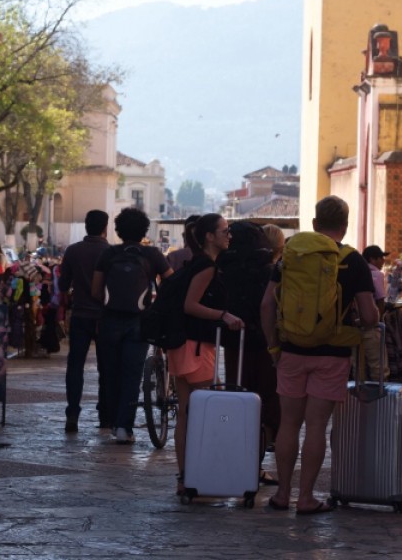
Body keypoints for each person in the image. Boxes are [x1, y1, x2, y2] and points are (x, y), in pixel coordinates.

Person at [260, 195, 377, 514]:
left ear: (314, 224)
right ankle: (306, 498)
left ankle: (283, 494)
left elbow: (267, 305)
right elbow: (369, 316)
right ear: (345, 225)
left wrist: (274, 346)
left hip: (292, 350)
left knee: (288, 425)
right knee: (315, 428)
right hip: (333, 353)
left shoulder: (291, 257)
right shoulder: (353, 260)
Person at [170, 213, 244, 493]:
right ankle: (204, 474)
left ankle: (185, 477)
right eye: (224, 231)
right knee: (210, 411)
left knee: (186, 414)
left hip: (182, 344)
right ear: (209, 237)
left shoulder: (195, 263)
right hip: (198, 347)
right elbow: (191, 304)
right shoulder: (207, 268)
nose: (229, 235)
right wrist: (224, 315)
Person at [92, 207, 172, 444]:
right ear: (144, 231)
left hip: (109, 320)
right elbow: (171, 281)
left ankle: (113, 420)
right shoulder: (153, 254)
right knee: (132, 374)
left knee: (110, 373)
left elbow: (96, 290)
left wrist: (110, 303)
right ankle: (124, 428)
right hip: (139, 321)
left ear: (117, 230)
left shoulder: (108, 254)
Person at [218, 220, 278, 486]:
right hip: (265, 343)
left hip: (234, 340)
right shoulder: (269, 269)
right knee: (265, 401)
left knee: (237, 396)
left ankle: (238, 460)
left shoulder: (222, 267)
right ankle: (255, 462)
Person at [58, 210, 110, 433]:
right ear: (105, 227)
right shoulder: (110, 251)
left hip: (80, 315)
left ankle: (72, 413)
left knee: (75, 365)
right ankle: (105, 414)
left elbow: (62, 285)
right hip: (104, 317)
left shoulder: (73, 251)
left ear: (85, 226)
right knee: (106, 367)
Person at [360, 244, 390, 380]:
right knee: (378, 367)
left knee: (358, 368)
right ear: (372, 259)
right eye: (381, 258)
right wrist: (379, 321)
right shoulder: (377, 274)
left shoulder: (357, 271)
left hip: (355, 325)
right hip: (372, 326)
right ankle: (380, 398)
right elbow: (380, 300)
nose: (383, 261)